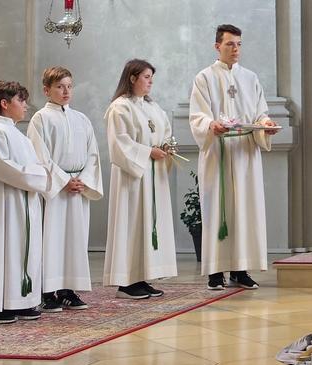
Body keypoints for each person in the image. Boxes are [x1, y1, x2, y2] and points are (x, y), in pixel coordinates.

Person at [189, 24, 278, 291]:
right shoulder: (204, 78)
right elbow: (197, 115)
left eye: (239, 44)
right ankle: (215, 272)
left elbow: (259, 113)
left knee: (245, 210)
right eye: (230, 44)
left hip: (245, 156)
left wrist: (267, 123)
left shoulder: (250, 78)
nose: (235, 49)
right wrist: (210, 125)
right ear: (217, 46)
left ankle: (241, 269)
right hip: (218, 153)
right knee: (218, 210)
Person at [0, 80, 53, 324]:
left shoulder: (18, 135)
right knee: (5, 248)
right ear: (5, 104)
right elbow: (0, 166)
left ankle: (22, 300)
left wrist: (37, 174)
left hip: (25, 199)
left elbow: (33, 165)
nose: (26, 106)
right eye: (21, 100)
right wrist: (38, 176)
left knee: (24, 248)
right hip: (6, 200)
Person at [27, 66, 103, 312]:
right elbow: (40, 155)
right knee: (52, 239)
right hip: (56, 189)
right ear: (46, 90)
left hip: (78, 187)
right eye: (60, 87)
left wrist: (84, 179)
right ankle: (48, 291)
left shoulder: (81, 119)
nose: (66, 91)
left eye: (69, 86)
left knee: (74, 239)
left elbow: (93, 153)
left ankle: (68, 289)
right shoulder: (40, 118)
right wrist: (63, 180)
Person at [102, 59, 177, 299]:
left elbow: (164, 131)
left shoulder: (153, 107)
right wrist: (147, 152)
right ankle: (126, 283)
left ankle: (142, 277)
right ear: (132, 78)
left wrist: (166, 147)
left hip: (153, 174)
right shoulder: (120, 108)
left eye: (151, 77)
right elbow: (119, 143)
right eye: (146, 77)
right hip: (132, 178)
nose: (150, 82)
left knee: (148, 224)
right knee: (132, 223)